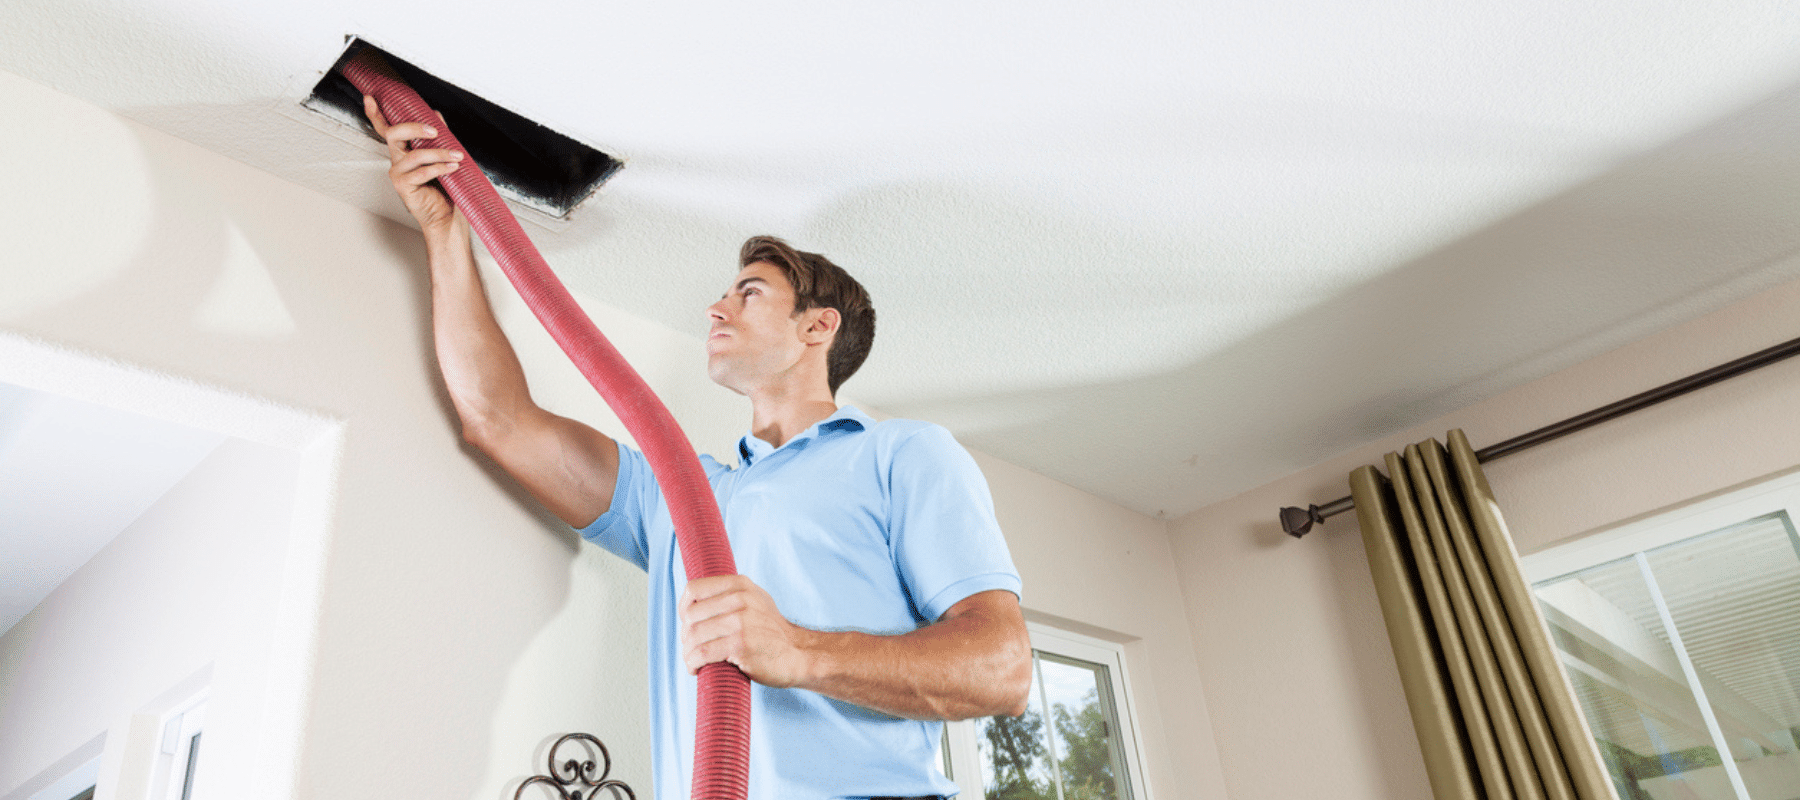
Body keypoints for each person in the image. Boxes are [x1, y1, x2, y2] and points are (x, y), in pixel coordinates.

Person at [365, 97, 1033, 800]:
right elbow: (497, 418)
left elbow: (1003, 668)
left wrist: (797, 650)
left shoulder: (899, 454)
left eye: (748, 292)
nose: (715, 309)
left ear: (818, 329)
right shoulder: (680, 495)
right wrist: (443, 232)